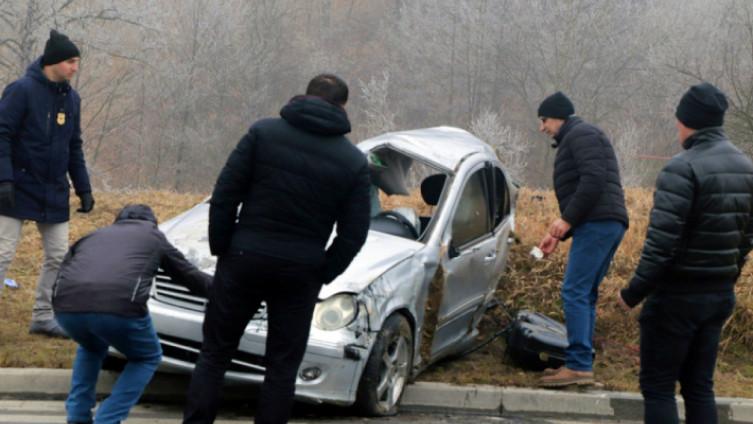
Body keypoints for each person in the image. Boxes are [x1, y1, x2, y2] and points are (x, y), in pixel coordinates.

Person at [183, 74, 371, 424]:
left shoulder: (263, 133)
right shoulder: (353, 161)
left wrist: (224, 246)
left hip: (244, 257)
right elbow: (354, 232)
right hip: (301, 270)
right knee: (281, 367)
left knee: (214, 354)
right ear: (342, 107)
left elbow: (225, 194)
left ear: (305, 95)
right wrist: (323, 269)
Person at [618, 83, 753, 424]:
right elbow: (746, 238)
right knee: (699, 387)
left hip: (677, 298)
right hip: (719, 295)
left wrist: (631, 294)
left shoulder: (681, 169)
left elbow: (661, 247)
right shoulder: (746, 168)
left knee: (659, 386)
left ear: (688, 121)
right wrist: (726, 277)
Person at [52, 204, 211, 424]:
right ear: (152, 222)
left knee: (90, 346)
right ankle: (107, 418)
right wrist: (226, 290)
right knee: (147, 356)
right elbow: (188, 276)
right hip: (119, 308)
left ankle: (78, 416)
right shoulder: (154, 237)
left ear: (119, 220)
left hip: (66, 308)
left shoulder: (92, 236)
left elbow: (64, 271)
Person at [0, 29, 94, 338]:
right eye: (70, 61)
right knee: (3, 254)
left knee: (58, 256)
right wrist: (4, 178)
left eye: (77, 61)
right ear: (53, 62)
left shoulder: (72, 99)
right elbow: (2, 135)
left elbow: (74, 146)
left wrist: (84, 188)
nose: (75, 68)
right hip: (14, 187)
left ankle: (43, 316)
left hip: (53, 190)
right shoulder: (21, 91)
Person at [535, 91, 629, 387]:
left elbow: (593, 179)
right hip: (601, 223)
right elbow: (589, 186)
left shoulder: (581, 134)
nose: (542, 127)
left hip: (598, 224)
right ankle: (580, 364)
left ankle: (577, 366)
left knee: (574, 291)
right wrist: (560, 234)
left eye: (544, 120)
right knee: (584, 293)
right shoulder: (579, 136)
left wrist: (566, 220)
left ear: (559, 116)